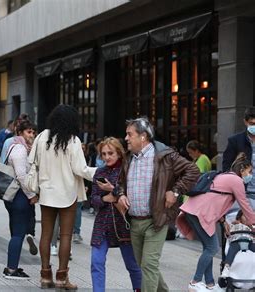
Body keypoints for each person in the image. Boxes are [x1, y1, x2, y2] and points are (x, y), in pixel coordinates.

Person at [116, 117, 199, 292]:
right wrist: (121, 194)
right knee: (144, 265)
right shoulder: (128, 158)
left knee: (149, 264)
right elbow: (120, 182)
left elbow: (192, 170)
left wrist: (175, 191)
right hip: (134, 221)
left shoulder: (166, 156)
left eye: (130, 134)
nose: (126, 138)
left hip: (156, 220)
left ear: (143, 136)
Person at [28, 105, 97, 289]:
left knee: (46, 234)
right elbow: (80, 169)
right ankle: (61, 278)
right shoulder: (73, 141)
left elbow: (32, 161)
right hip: (67, 194)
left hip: (46, 192)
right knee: (65, 236)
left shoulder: (42, 137)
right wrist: (101, 171)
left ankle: (44, 276)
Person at [176, 153, 255, 291]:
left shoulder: (224, 176)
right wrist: (253, 223)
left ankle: (210, 284)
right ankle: (195, 281)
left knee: (208, 247)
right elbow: (245, 205)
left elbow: (216, 199)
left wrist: (223, 221)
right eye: (250, 171)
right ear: (242, 170)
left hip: (193, 210)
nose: (251, 175)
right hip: (200, 213)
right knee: (212, 248)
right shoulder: (236, 181)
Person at [91, 137, 142, 292]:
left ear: (119, 153)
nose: (107, 157)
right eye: (104, 154)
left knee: (132, 265)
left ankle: (138, 289)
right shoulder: (100, 172)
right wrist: (106, 198)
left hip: (123, 224)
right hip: (102, 224)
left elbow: (130, 196)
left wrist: (112, 189)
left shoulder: (128, 170)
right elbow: (93, 200)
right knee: (96, 262)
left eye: (110, 153)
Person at [3, 120, 38, 279]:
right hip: (19, 196)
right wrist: (31, 196)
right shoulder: (19, 149)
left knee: (17, 232)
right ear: (20, 133)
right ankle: (11, 269)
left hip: (18, 196)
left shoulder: (23, 148)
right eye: (29, 132)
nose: (32, 135)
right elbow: (21, 176)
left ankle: (12, 266)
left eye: (33, 132)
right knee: (18, 233)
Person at [220, 210, 255, 278]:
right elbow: (227, 233)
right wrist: (235, 223)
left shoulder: (252, 226)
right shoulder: (234, 223)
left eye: (248, 216)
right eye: (245, 216)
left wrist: (251, 226)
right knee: (232, 251)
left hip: (249, 242)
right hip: (236, 241)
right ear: (239, 217)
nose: (247, 218)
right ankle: (226, 268)